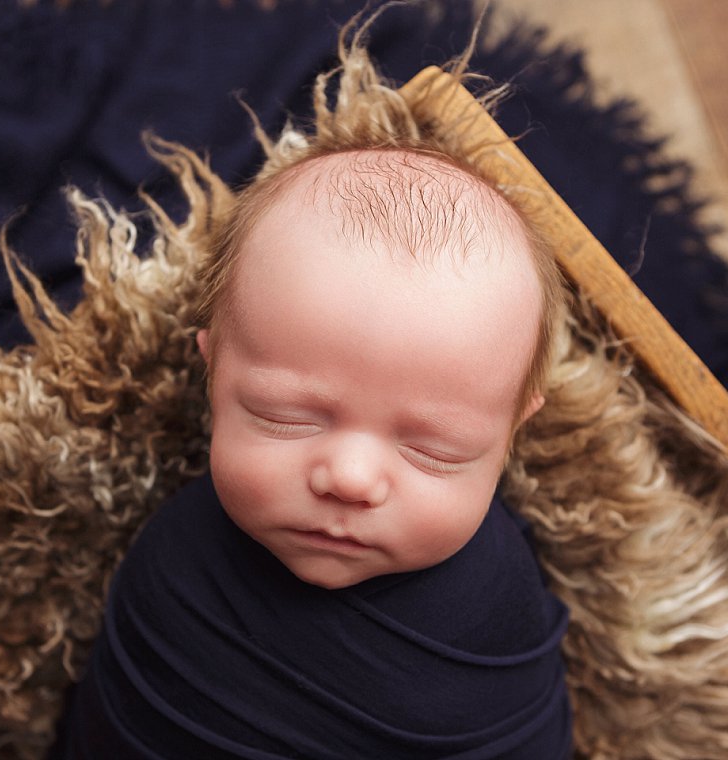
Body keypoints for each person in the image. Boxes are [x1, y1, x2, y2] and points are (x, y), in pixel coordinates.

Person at [52, 24, 572, 760]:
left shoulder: (498, 609)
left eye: (435, 450)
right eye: (283, 416)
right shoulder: (174, 564)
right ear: (213, 372)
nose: (351, 479)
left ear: (513, 430)